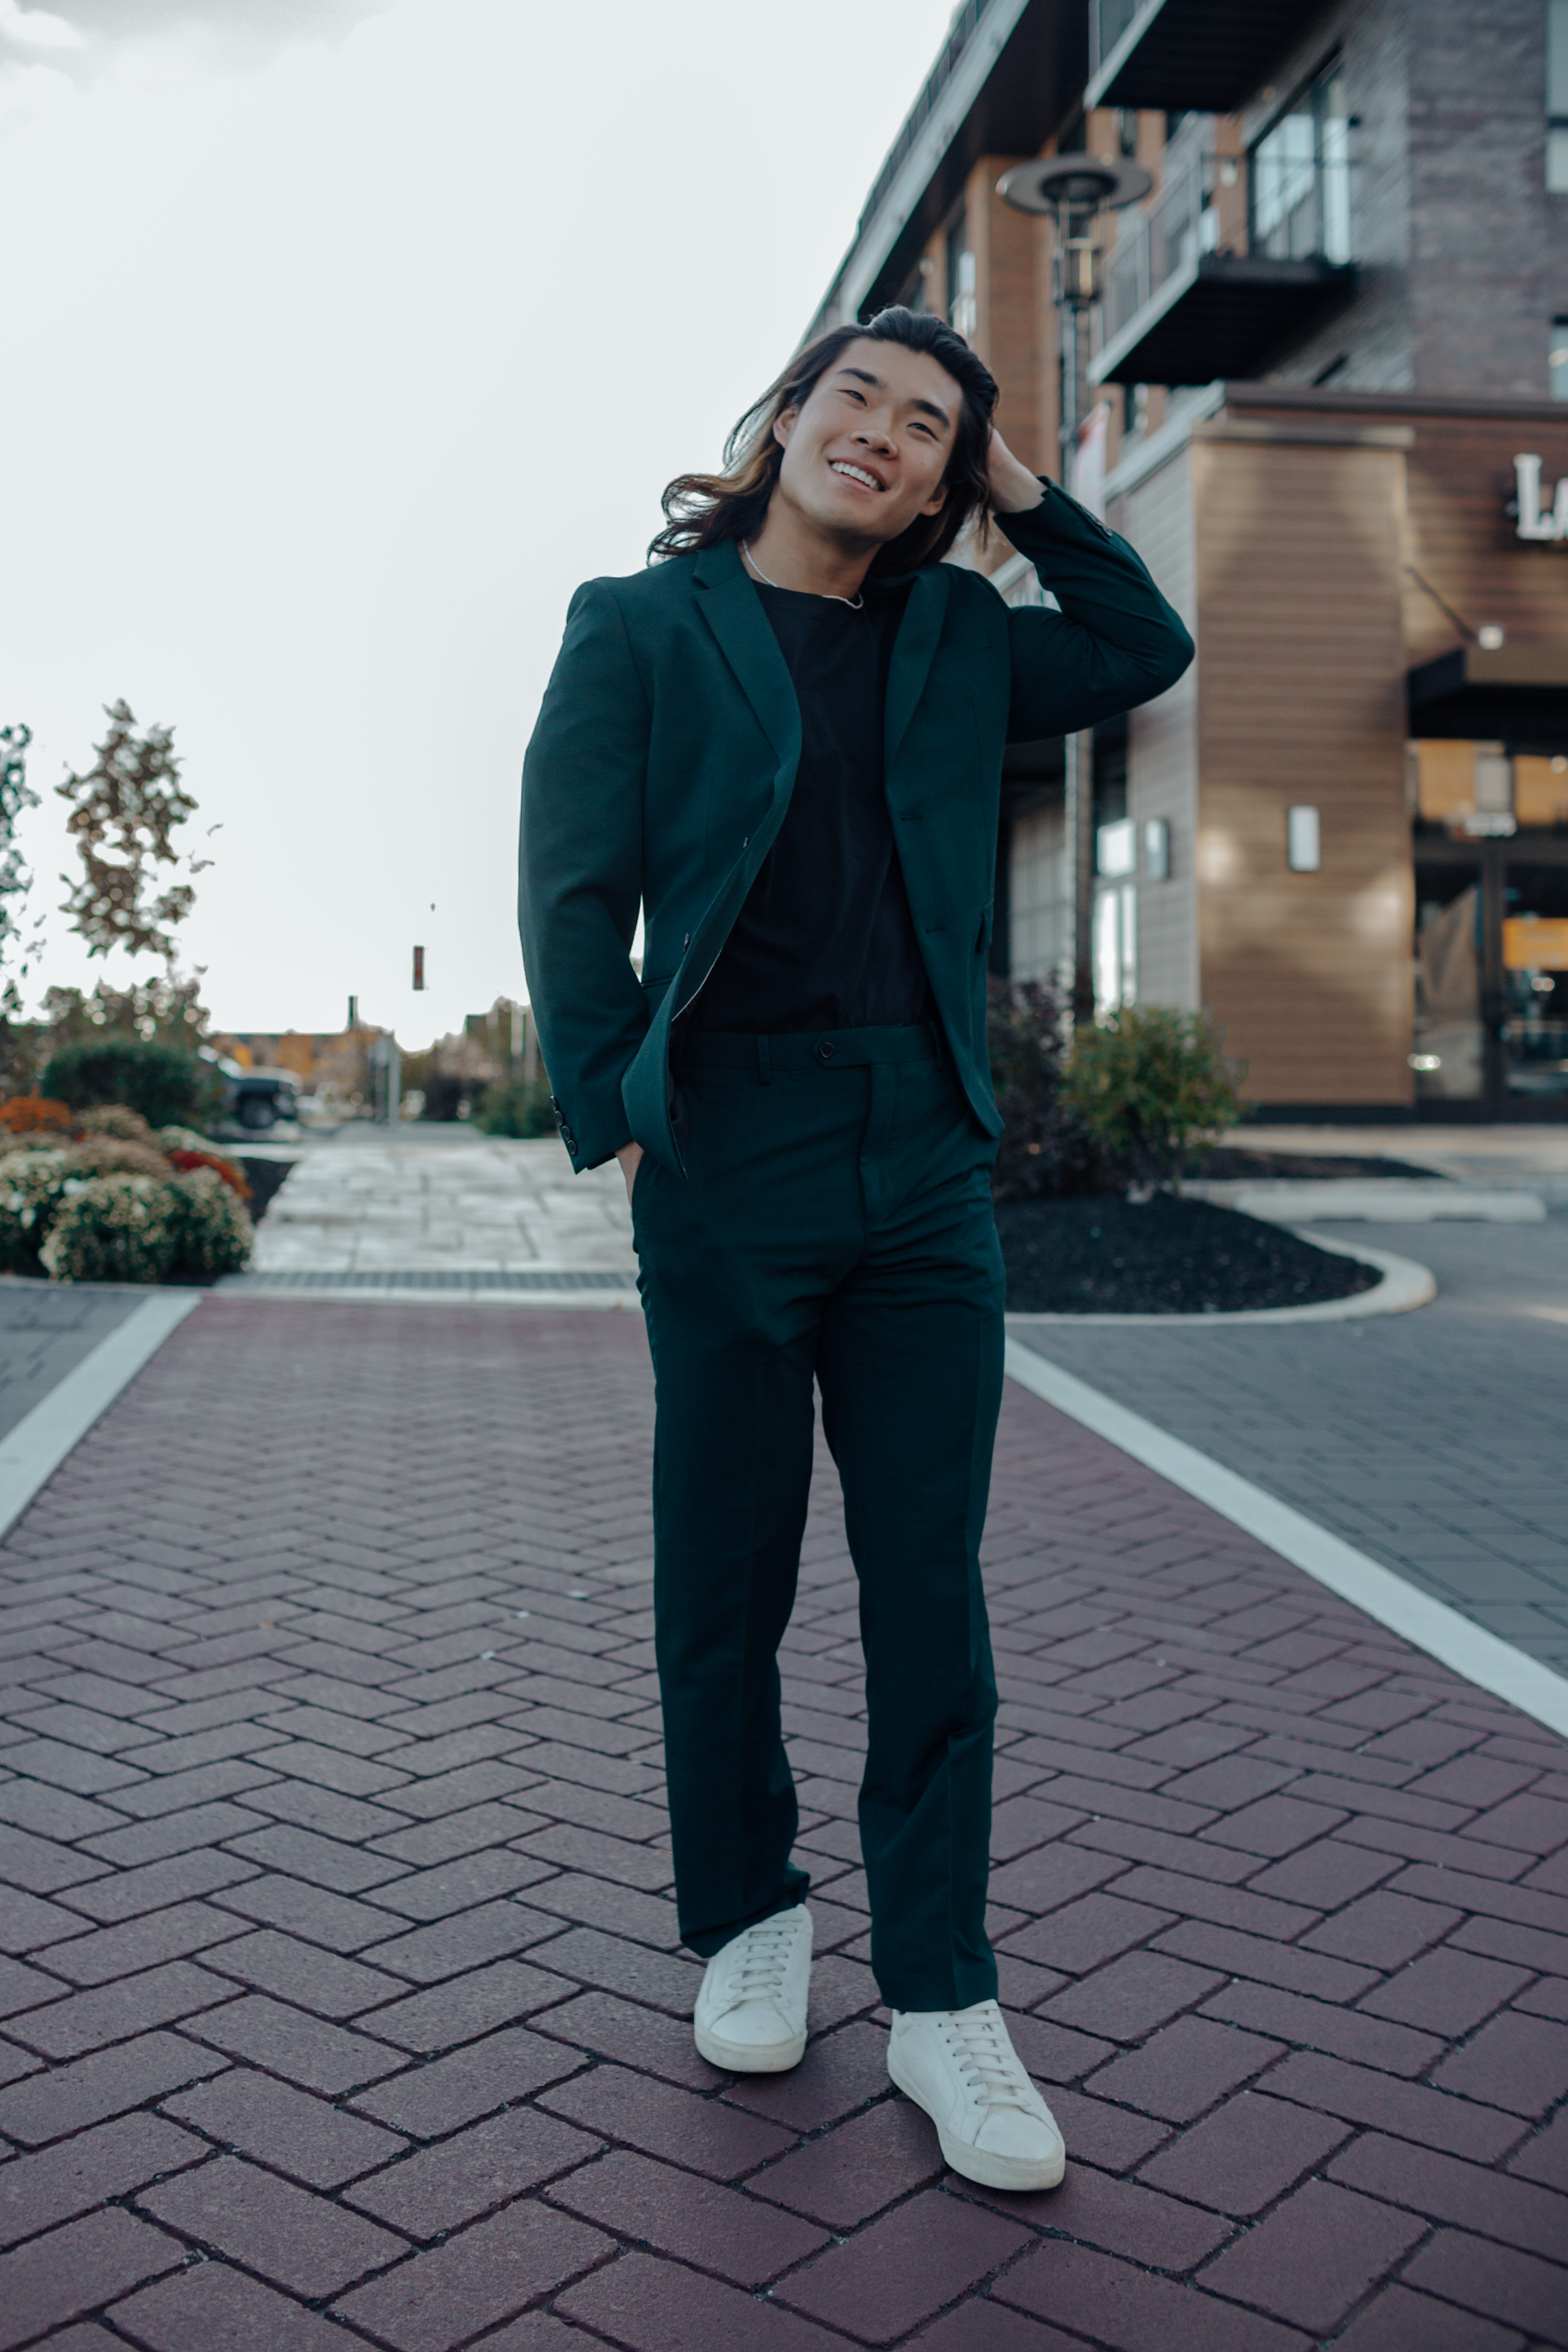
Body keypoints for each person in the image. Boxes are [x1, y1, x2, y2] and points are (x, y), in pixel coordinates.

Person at [519, 306, 1192, 2192]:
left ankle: (945, 1994)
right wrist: (622, 1100)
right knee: (725, 1576)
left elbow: (1147, 644)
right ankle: (747, 1913)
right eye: (857, 399)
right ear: (789, 413)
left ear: (942, 476)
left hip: (919, 1156)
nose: (881, 436)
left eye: (926, 428)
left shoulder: (962, 633)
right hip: (726, 1141)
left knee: (929, 1583)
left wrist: (1023, 488)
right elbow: (571, 885)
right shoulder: (639, 624)